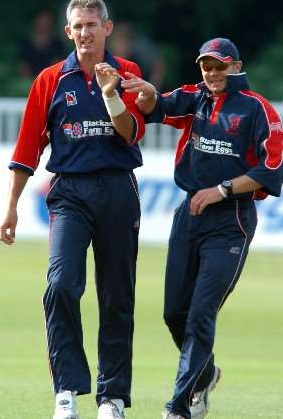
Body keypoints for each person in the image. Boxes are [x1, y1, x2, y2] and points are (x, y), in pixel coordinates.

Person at [0, 0, 146, 419]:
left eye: (91, 25)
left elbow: (131, 133)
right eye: (77, 26)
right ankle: (66, 391)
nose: (84, 33)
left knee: (117, 296)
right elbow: (28, 147)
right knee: (61, 286)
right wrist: (11, 206)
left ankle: (112, 398)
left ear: (107, 29)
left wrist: (111, 93)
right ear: (68, 32)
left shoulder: (127, 72)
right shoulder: (49, 80)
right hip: (69, 195)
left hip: (119, 190)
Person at [120, 37, 283, 419]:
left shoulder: (258, 109)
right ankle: (206, 373)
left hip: (232, 221)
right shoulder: (195, 97)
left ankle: (179, 406)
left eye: (219, 66)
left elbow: (271, 170)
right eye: (206, 66)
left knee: (199, 315)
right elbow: (156, 107)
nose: (211, 73)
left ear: (236, 66)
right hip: (189, 213)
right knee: (173, 313)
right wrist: (145, 93)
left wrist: (222, 190)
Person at [18, 8, 65, 78]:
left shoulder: (57, 44)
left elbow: (59, 66)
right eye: (41, 19)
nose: (44, 23)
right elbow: (22, 67)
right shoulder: (25, 43)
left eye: (47, 20)